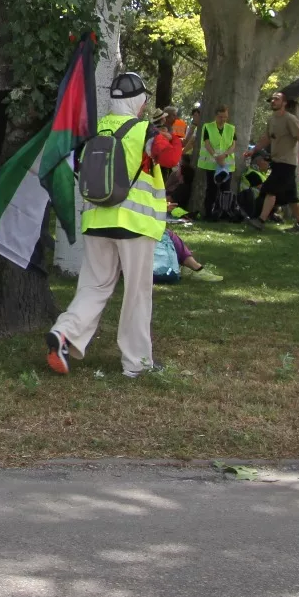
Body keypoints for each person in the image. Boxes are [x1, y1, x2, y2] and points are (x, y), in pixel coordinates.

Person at [46, 71, 181, 379]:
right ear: (139, 101)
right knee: (136, 293)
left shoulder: (94, 130)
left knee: (94, 286)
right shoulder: (144, 131)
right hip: (135, 223)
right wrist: (179, 135)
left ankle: (64, 333)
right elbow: (170, 158)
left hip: (96, 221)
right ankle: (136, 363)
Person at [246, 91, 299, 232]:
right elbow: (266, 138)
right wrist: (253, 150)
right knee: (292, 197)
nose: (273, 101)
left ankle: (260, 221)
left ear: (284, 103)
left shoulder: (290, 119)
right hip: (277, 161)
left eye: (277, 99)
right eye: (272, 99)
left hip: (287, 163)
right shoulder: (272, 119)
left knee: (269, 190)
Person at [197, 104, 238, 218]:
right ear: (216, 116)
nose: (223, 119)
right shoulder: (208, 127)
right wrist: (216, 156)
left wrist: (225, 155)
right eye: (221, 117)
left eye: (225, 117)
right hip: (211, 164)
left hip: (227, 164)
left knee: (226, 189)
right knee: (212, 189)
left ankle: (225, 213)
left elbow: (233, 144)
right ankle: (209, 214)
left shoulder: (231, 128)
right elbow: (207, 143)